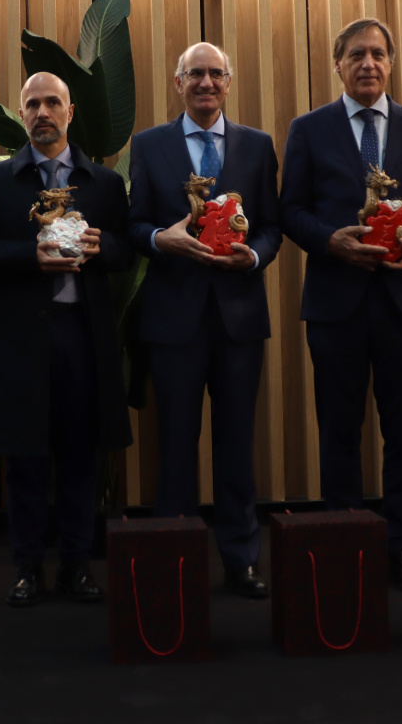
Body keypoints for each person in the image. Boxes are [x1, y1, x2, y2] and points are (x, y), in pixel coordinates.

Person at [279, 17, 402, 593]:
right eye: (356, 54)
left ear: (391, 61)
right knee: (339, 429)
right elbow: (290, 211)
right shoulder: (309, 129)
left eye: (379, 54)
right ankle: (345, 545)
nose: (368, 64)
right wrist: (327, 241)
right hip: (336, 304)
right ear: (338, 64)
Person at [0, 72, 133, 607]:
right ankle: (28, 566)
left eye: (52, 103)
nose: (43, 112)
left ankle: (78, 565)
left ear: (70, 111)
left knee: (82, 454)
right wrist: (27, 255)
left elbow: (128, 254)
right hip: (18, 337)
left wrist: (102, 246)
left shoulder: (104, 184)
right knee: (25, 456)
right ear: (21, 114)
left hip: (84, 335)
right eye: (32, 104)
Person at [128, 42, 282, 598]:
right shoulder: (148, 146)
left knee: (237, 443)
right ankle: (175, 554)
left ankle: (241, 557)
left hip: (239, 318)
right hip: (174, 318)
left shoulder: (258, 147)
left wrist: (257, 254)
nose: (206, 83)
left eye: (216, 74)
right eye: (196, 73)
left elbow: (270, 226)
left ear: (230, 81)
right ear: (178, 82)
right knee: (175, 442)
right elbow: (134, 222)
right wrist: (156, 238)